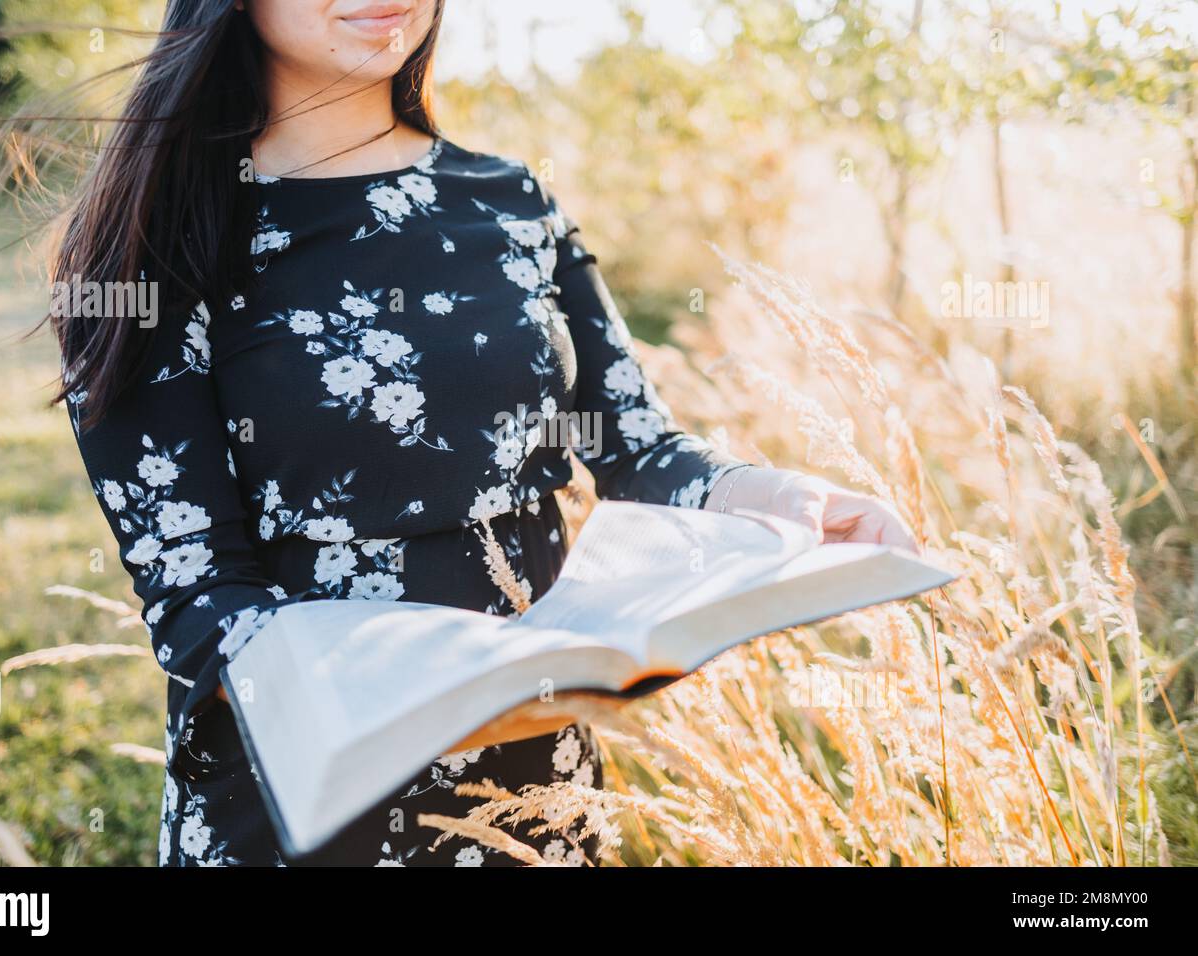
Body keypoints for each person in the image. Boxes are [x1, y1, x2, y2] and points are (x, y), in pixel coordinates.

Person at [54, 0, 914, 866]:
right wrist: (412, 684)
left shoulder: (510, 202)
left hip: (533, 781)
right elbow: (199, 593)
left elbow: (636, 447)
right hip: (303, 793)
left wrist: (770, 499)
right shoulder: (157, 239)